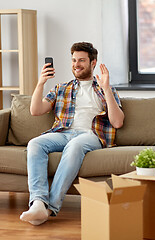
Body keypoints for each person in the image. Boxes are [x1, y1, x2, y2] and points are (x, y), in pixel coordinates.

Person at [20, 42, 124, 225]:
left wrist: (106, 89)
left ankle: (50, 208)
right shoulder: (62, 88)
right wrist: (40, 83)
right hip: (62, 132)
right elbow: (35, 110)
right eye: (74, 60)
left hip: (90, 135)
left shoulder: (104, 88)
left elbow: (117, 122)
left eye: (82, 60)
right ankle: (38, 203)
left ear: (93, 63)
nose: (76, 64)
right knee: (35, 143)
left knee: (74, 146)